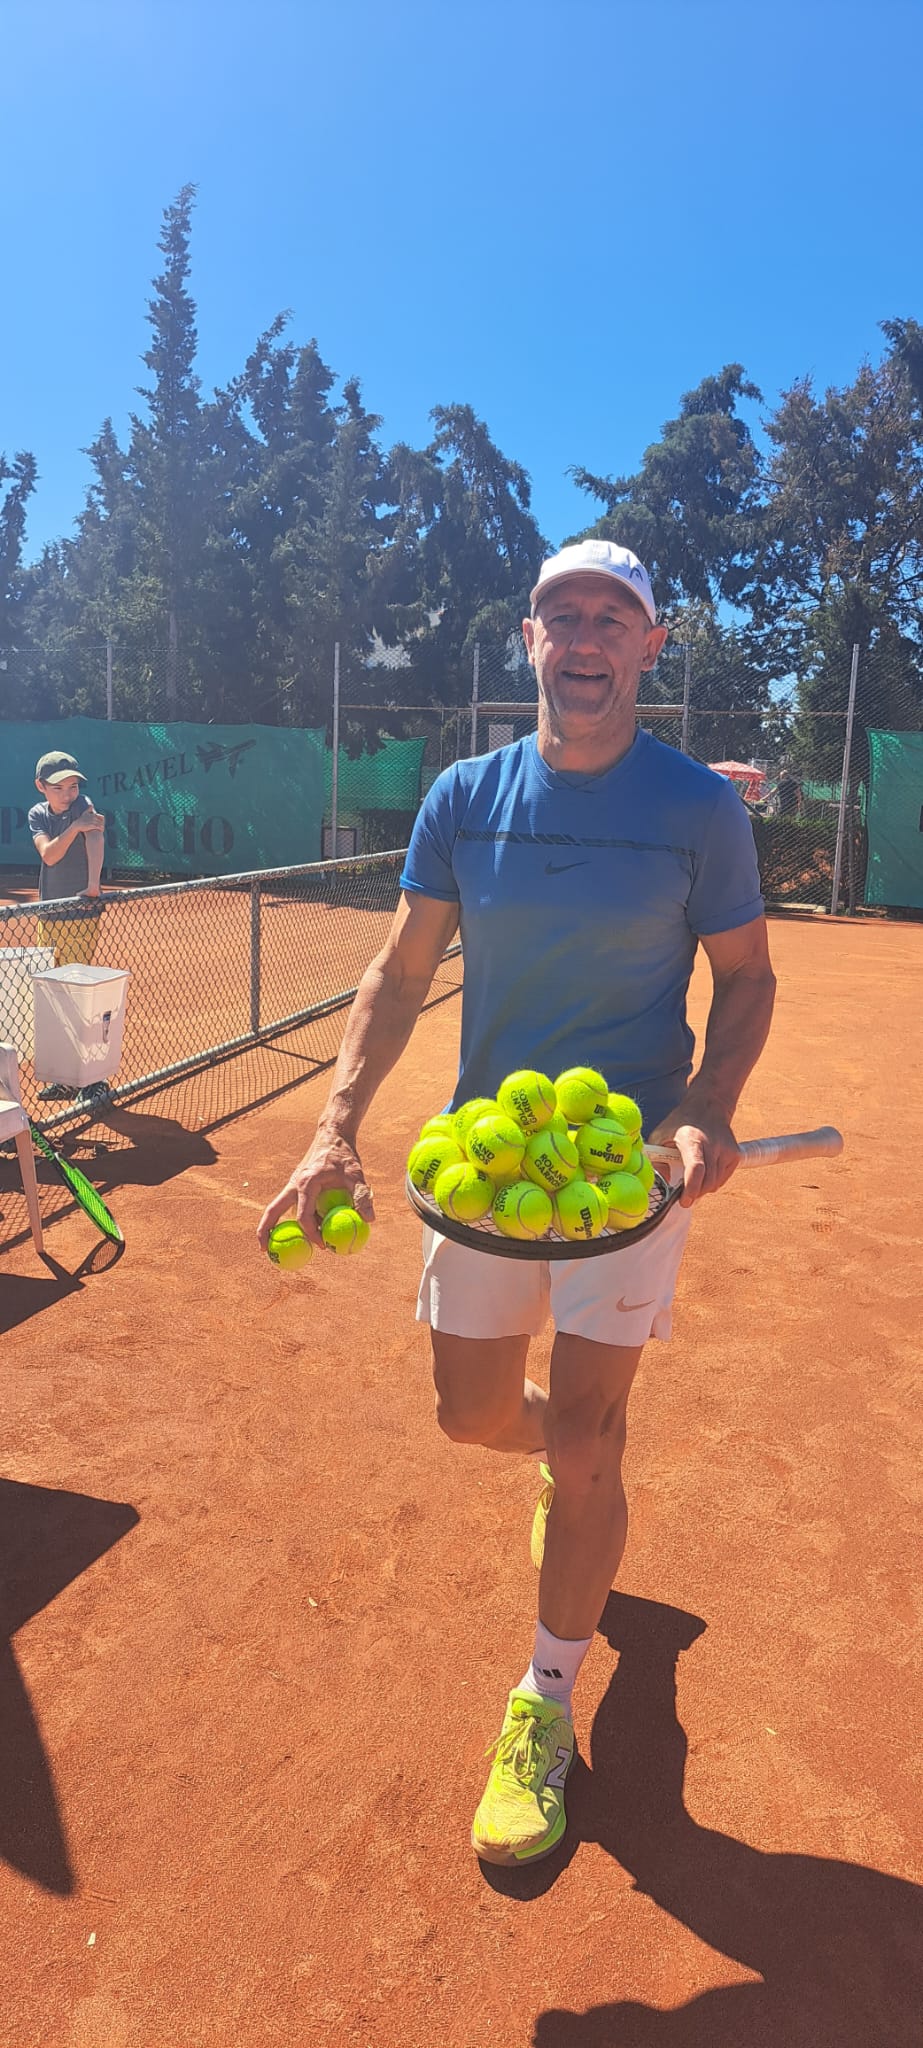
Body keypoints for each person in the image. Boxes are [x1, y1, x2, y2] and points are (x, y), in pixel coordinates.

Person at [257, 537, 776, 1867]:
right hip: (481, 1177)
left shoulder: (697, 812)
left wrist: (705, 1108)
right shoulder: (463, 798)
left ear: (648, 647)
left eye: (613, 618)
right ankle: (568, 1479)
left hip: (625, 1181)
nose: (585, 640)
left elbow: (745, 979)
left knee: (591, 1438)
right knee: (471, 1416)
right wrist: (333, 1128)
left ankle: (543, 1698)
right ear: (528, 640)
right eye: (562, 617)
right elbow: (397, 968)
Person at [28, 749, 106, 1100]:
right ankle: (64, 1076)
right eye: (59, 787)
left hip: (79, 916)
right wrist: (75, 827)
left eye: (73, 786)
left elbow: (95, 837)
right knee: (55, 998)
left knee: (78, 996)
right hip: (49, 915)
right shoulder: (38, 814)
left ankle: (89, 1080)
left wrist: (93, 884)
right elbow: (49, 855)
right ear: (41, 786)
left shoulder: (83, 805)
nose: (68, 794)